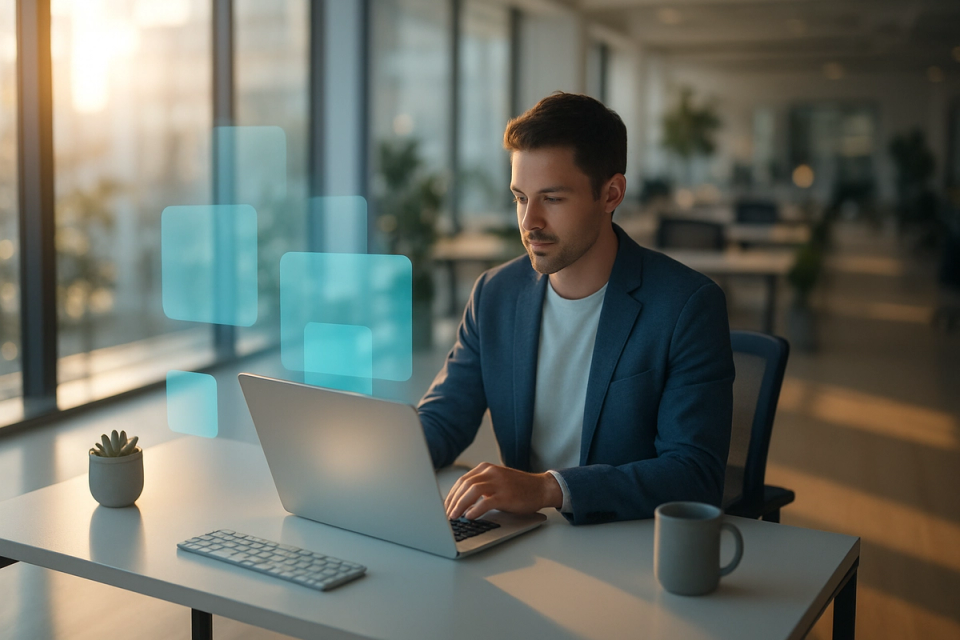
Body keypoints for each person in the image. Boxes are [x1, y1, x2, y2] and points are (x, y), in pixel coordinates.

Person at [418, 92, 734, 526]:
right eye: (519, 197)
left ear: (611, 194)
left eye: (552, 198)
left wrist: (549, 488)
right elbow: (443, 418)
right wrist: (374, 458)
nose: (529, 222)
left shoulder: (686, 307)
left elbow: (695, 474)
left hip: (625, 548)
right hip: (527, 542)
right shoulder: (495, 294)